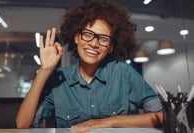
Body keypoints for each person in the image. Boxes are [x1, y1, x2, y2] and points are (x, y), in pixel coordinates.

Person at [16, 0, 163, 128]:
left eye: (103, 39)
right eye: (87, 34)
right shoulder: (58, 79)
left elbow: (162, 116)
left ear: (111, 47)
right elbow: (22, 125)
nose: (93, 43)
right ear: (76, 37)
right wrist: (44, 69)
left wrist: (112, 121)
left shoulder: (122, 72)